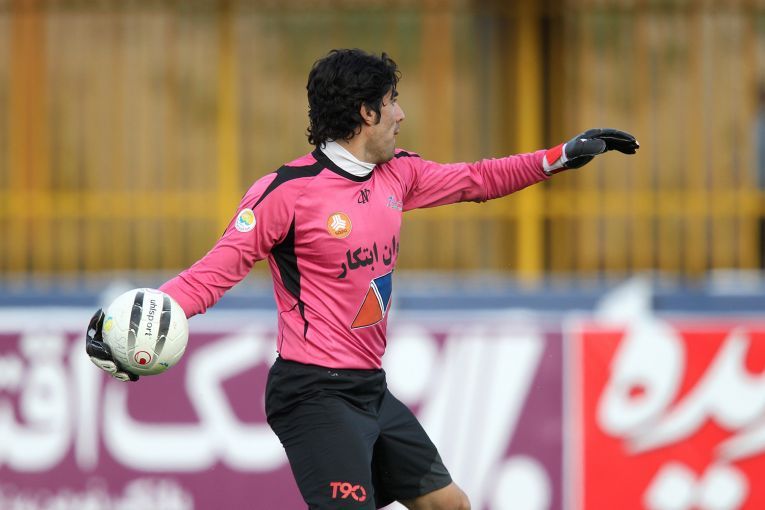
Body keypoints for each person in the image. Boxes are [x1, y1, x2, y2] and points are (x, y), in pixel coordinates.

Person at [86, 49, 639, 509]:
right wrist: (139, 321)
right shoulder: (287, 193)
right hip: (311, 392)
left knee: (449, 505)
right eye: (392, 101)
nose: (402, 114)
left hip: (368, 389)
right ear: (365, 113)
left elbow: (476, 179)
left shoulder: (398, 174)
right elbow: (214, 272)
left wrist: (559, 157)